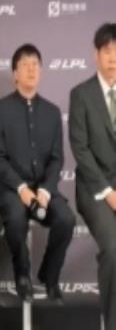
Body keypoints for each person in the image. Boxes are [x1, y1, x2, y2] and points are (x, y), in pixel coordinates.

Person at [0, 43, 75, 303]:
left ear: (41, 71)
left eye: (35, 64)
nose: (31, 69)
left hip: (44, 189)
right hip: (11, 188)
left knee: (66, 219)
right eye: (25, 65)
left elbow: (57, 159)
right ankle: (22, 274)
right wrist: (21, 188)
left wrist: (46, 191)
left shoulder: (52, 112)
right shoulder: (0, 109)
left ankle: (49, 276)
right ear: (15, 73)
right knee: (16, 218)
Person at [69, 23, 116, 327]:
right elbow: (81, 149)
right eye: (108, 51)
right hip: (95, 191)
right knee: (113, 249)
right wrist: (109, 193)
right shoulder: (81, 95)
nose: (113, 58)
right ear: (96, 54)